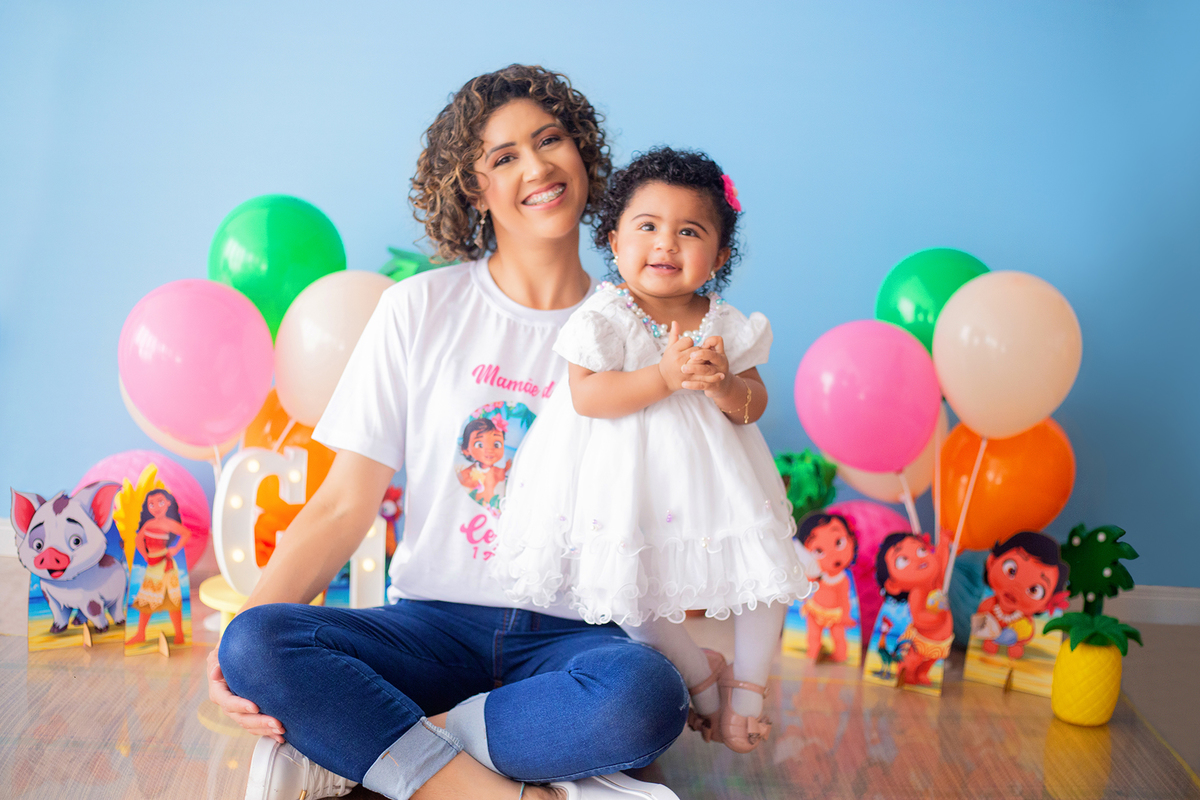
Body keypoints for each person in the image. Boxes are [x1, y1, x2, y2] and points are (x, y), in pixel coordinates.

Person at [208, 65, 688, 800]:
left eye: (550, 140)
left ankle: (391, 751)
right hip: (430, 630)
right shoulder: (417, 309)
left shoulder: (643, 328)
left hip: (575, 638)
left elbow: (674, 512)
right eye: (505, 156)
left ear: (582, 152)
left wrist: (716, 668)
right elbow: (343, 505)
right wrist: (235, 654)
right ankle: (507, 788)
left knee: (647, 696)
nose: (537, 167)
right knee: (257, 642)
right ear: (474, 189)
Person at [492, 147, 813, 754]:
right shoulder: (604, 316)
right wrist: (663, 376)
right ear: (615, 242)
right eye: (647, 226)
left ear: (719, 256)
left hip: (714, 485)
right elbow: (588, 396)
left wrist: (723, 383)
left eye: (689, 231)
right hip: (627, 487)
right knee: (632, 591)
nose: (666, 243)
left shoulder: (725, 323)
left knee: (764, 577)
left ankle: (748, 694)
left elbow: (752, 406)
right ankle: (702, 681)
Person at [972, 530, 1069, 659]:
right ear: (992, 562)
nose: (1017, 588)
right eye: (1011, 570)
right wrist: (988, 635)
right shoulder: (988, 605)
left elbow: (1028, 633)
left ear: (1047, 604)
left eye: (1034, 590)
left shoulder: (1025, 620)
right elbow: (979, 623)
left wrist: (1019, 639)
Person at [127, 489, 190, 645]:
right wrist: (145, 555)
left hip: (166, 566)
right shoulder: (149, 524)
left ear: (168, 503)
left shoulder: (169, 523)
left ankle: (179, 634)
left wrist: (175, 549)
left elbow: (186, 533)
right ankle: (140, 633)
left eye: (160, 502)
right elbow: (138, 540)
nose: (156, 507)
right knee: (146, 600)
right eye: (151, 504)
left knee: (172, 601)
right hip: (152, 566)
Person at [795, 513, 857, 663]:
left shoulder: (842, 580)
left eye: (839, 542)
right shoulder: (816, 574)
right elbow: (805, 585)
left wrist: (846, 615)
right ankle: (814, 651)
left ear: (851, 540)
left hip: (835, 614)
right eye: (818, 551)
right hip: (815, 609)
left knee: (838, 636)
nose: (833, 555)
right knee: (813, 634)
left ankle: (840, 655)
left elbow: (844, 599)